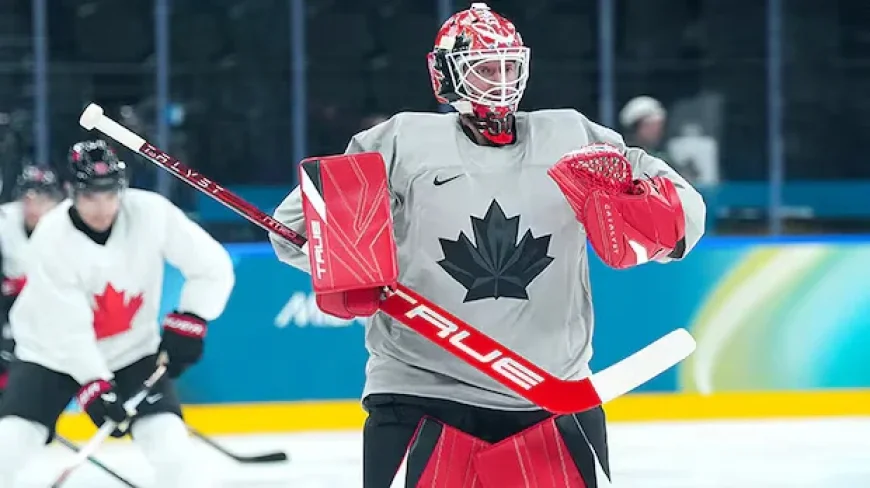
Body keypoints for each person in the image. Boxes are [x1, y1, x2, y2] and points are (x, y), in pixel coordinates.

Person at [271, 3, 706, 487]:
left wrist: (654, 219)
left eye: (507, 66)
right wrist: (348, 256)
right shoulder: (398, 141)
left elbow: (684, 214)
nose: (500, 80)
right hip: (421, 393)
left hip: (553, 396)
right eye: (484, 68)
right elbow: (294, 228)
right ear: (448, 75)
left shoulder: (573, 136)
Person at [0, 139, 235, 487]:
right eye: (91, 196)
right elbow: (66, 330)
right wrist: (94, 382)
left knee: (174, 454)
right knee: (9, 447)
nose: (102, 207)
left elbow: (213, 266)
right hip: (50, 356)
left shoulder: (152, 213)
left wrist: (193, 317)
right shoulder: (51, 237)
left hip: (131, 353)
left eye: (110, 194)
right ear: (72, 191)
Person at [0, 165, 66, 396]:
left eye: (42, 197)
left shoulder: (68, 226)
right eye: (27, 197)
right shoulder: (4, 220)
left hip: (52, 313)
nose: (33, 205)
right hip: (9, 312)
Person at [620, 95, 669, 161]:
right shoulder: (621, 157)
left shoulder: (662, 158)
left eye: (659, 127)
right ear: (636, 128)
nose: (658, 132)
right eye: (651, 127)